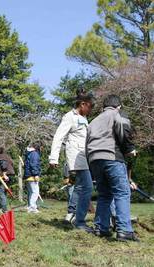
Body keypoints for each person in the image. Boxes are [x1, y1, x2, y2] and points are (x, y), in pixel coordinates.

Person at [86, 95, 139, 242]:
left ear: (104, 107)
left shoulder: (93, 121)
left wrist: (91, 164)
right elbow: (123, 129)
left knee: (104, 195)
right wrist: (130, 149)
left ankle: (101, 228)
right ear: (118, 106)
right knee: (122, 192)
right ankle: (124, 230)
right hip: (112, 156)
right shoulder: (117, 114)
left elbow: (87, 143)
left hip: (94, 160)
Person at [49, 90, 94, 232]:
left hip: (84, 157)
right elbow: (58, 137)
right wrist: (53, 157)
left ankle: (72, 214)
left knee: (81, 187)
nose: (91, 109)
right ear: (82, 104)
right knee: (87, 187)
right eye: (90, 106)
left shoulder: (83, 118)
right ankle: (79, 221)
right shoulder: (69, 117)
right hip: (76, 158)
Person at [24, 143, 41, 213]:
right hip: (32, 176)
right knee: (35, 192)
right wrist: (36, 174)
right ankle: (32, 207)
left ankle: (30, 206)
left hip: (28, 175)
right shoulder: (34, 154)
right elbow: (34, 164)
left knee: (31, 192)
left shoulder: (29, 153)